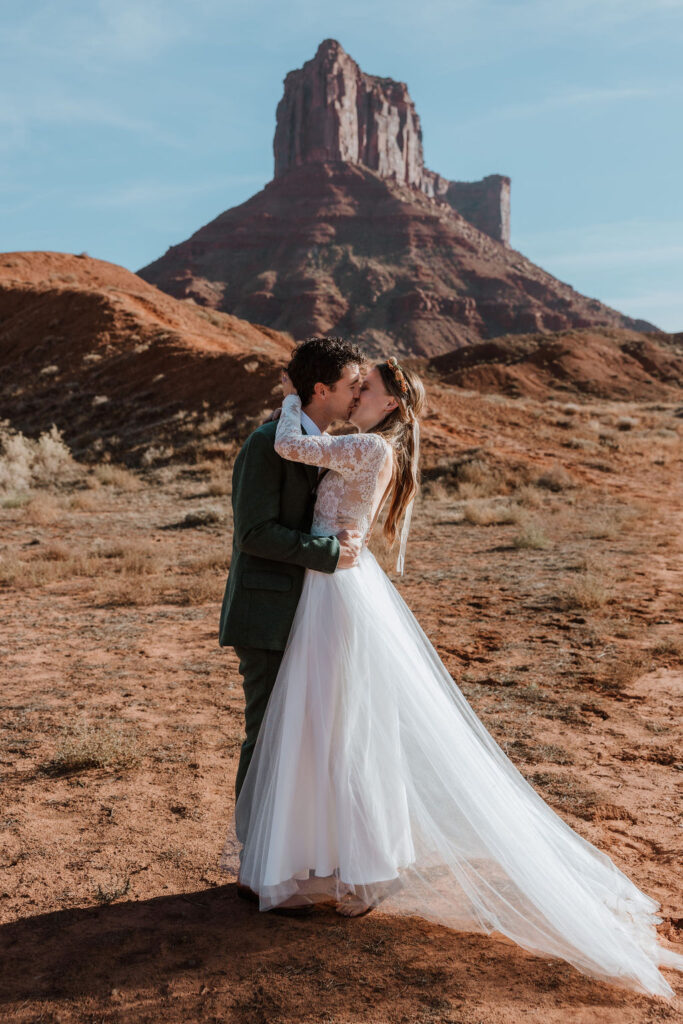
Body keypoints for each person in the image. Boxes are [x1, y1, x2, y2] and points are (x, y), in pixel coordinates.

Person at [221, 356, 683, 999]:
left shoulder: (356, 446)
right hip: (316, 594)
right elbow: (273, 496)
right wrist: (300, 402)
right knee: (307, 724)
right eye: (354, 384)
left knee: (340, 726)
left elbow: (296, 444)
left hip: (335, 592)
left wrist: (296, 405)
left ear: (385, 406)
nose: (359, 392)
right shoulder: (337, 442)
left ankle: (347, 866)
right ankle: (296, 860)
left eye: (368, 387)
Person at [218, 336, 364, 820]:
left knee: (306, 735)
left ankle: (288, 850)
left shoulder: (324, 447)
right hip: (267, 614)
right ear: (321, 390)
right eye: (351, 385)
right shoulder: (265, 444)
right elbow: (254, 534)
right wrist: (331, 553)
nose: (357, 394)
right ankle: (250, 859)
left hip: (310, 611)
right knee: (268, 734)